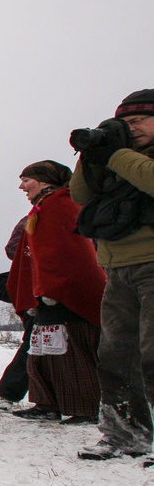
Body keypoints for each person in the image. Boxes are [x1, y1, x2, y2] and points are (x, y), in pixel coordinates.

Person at [69, 90, 154, 460]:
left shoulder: (128, 159)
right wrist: (92, 156)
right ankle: (125, 435)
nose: (131, 128)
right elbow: (80, 195)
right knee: (115, 356)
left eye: (139, 121)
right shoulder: (116, 159)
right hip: (118, 268)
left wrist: (116, 154)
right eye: (126, 122)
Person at [4, 161, 104, 425]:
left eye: (26, 180)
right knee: (42, 350)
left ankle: (85, 407)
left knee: (71, 352)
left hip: (65, 292)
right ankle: (47, 403)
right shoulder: (43, 207)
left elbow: (69, 254)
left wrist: (53, 286)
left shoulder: (61, 204)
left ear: (44, 180)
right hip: (47, 292)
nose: (21, 186)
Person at [0, 216, 33, 410]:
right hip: (38, 288)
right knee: (35, 341)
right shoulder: (34, 217)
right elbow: (12, 248)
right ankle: (8, 393)